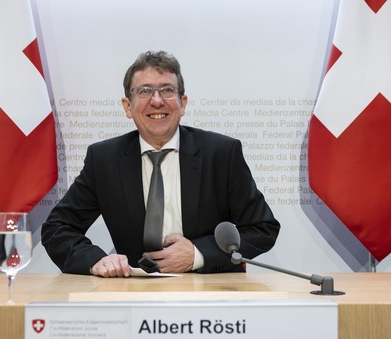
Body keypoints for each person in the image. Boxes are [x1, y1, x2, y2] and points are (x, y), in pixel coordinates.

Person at [41, 51, 280, 277]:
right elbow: (57, 228)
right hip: (134, 292)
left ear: (182, 103)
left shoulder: (221, 153)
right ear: (127, 106)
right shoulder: (104, 159)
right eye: (145, 91)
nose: (157, 101)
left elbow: (262, 229)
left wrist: (198, 254)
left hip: (211, 291)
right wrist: (95, 260)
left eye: (166, 90)